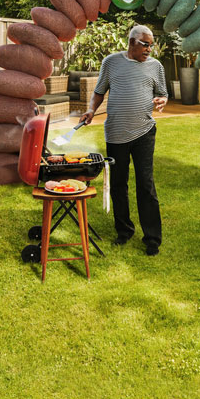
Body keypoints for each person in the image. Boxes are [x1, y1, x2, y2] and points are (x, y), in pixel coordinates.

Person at [80, 25, 168, 256]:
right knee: (118, 184)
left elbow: (162, 93)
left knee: (145, 184)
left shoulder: (155, 66)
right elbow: (99, 91)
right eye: (145, 44)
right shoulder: (111, 62)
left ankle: (152, 238)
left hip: (144, 132)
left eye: (151, 44)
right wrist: (91, 110)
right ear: (131, 42)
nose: (150, 48)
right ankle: (124, 230)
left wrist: (162, 101)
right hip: (116, 133)